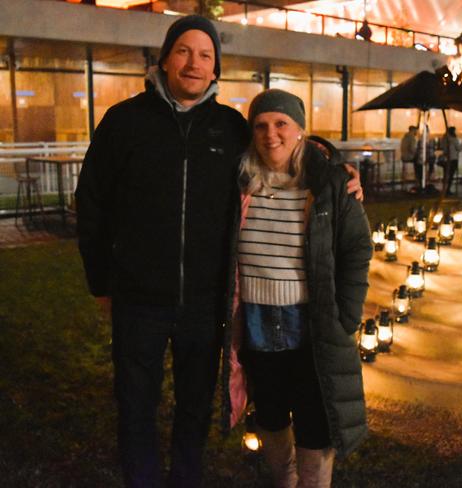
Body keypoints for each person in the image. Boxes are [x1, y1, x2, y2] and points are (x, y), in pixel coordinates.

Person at [75, 16, 361, 487]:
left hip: (205, 305)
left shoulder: (230, 128)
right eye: (184, 51)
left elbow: (285, 151)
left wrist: (340, 171)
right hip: (139, 301)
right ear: (165, 59)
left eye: (205, 55)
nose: (193, 62)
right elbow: (91, 203)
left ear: (215, 70)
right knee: (135, 405)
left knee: (194, 408)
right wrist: (101, 282)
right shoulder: (124, 122)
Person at [235, 89, 371, 487]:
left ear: (300, 131)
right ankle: (284, 480)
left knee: (314, 428)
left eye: (281, 124)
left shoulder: (329, 184)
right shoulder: (239, 182)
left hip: (310, 325)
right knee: (271, 417)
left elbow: (357, 246)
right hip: (257, 325)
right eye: (260, 125)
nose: (270, 134)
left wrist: (346, 314)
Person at [440, 126, 462, 195]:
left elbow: (441, 147)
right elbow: (459, 148)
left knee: (446, 174)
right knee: (451, 175)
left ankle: (444, 189)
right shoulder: (454, 139)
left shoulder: (444, 139)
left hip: (446, 159)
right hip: (453, 158)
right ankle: (448, 190)